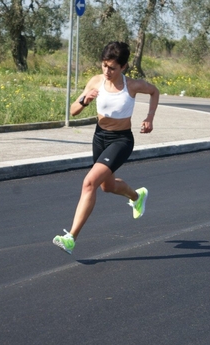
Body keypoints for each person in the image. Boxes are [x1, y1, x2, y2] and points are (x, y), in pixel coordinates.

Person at [53, 41, 159, 255]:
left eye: (112, 67)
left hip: (121, 140)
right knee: (106, 186)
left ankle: (71, 237)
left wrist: (149, 117)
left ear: (123, 67)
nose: (107, 71)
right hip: (99, 137)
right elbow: (73, 111)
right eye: (104, 65)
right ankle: (137, 197)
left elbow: (154, 92)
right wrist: (84, 100)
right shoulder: (96, 81)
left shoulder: (133, 86)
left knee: (89, 183)